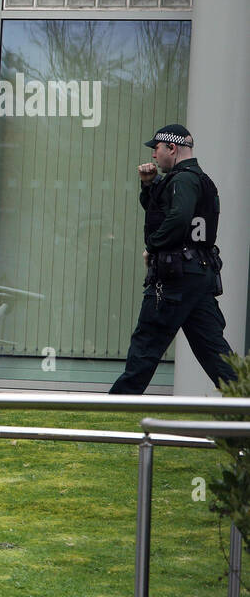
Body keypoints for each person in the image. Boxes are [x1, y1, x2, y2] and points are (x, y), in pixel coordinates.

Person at [110, 124, 236, 394]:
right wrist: (149, 185)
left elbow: (178, 218)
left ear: (172, 148)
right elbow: (166, 211)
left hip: (175, 277)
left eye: (156, 149)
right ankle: (243, 399)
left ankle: (116, 407)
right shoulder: (200, 180)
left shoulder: (183, 180)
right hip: (198, 275)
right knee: (214, 352)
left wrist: (153, 247)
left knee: (146, 344)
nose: (154, 156)